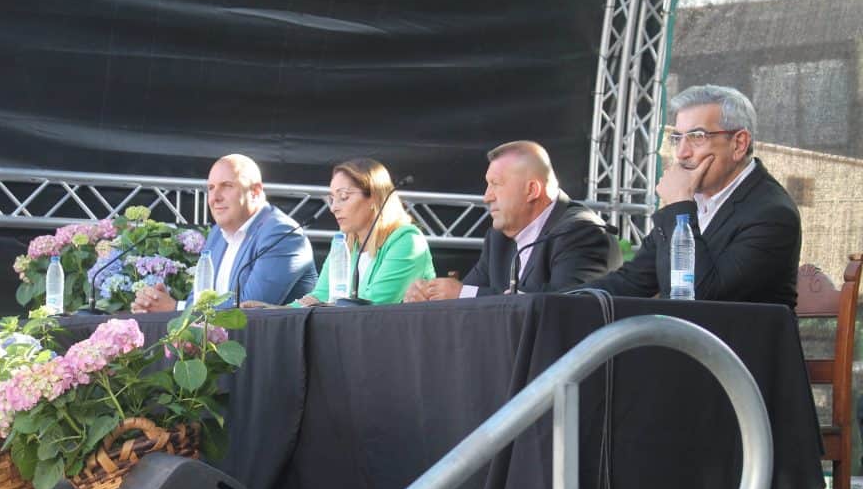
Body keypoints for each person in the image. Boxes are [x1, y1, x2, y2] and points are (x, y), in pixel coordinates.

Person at [583, 84, 801, 307]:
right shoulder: (694, 199)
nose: (681, 153)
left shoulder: (773, 214)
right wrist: (564, 301)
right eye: (678, 138)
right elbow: (631, 281)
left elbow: (700, 301)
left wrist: (679, 203)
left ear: (739, 144)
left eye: (697, 137)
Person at [403, 141, 620, 302]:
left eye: (496, 184)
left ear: (532, 190)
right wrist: (430, 296)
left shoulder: (581, 232)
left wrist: (462, 294)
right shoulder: (499, 238)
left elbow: (566, 304)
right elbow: (466, 296)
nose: (486, 196)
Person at [132, 154, 316, 312]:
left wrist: (176, 308)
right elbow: (199, 299)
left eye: (227, 185)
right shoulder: (217, 234)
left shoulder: (282, 234)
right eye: (211, 188)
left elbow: (250, 310)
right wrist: (157, 304)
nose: (215, 197)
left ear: (255, 192)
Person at [288, 158, 435, 306]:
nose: (333, 208)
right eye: (331, 199)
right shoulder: (342, 242)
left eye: (344, 197)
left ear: (374, 197)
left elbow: (372, 306)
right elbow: (321, 295)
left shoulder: (407, 241)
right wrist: (279, 311)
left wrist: (321, 305)